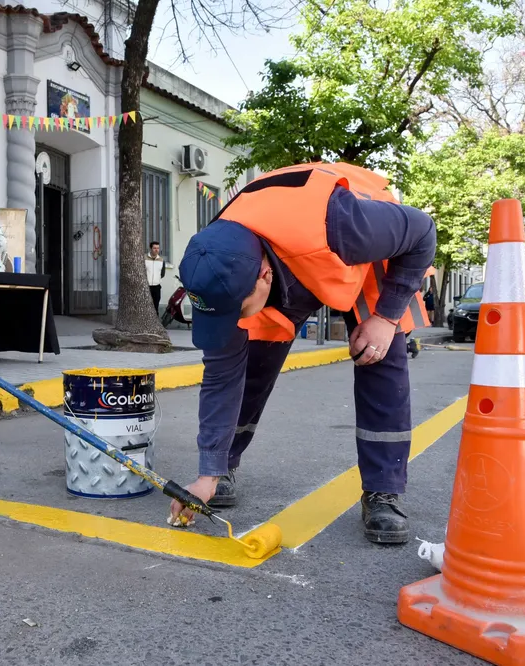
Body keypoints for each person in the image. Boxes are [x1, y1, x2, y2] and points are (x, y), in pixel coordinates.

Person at [168, 162, 435, 545]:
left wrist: (386, 317)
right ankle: (223, 467)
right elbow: (220, 379)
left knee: (379, 354)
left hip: (358, 253)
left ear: (263, 278)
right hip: (284, 258)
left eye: (235, 309)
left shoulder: (345, 224)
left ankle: (383, 491)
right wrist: (206, 474)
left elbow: (423, 230)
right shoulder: (218, 259)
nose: (232, 320)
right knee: (253, 361)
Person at [145, 241, 173, 313]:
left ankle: (155, 319)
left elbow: (162, 274)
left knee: (156, 306)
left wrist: (156, 279)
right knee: (145, 306)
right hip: (146, 286)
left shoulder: (161, 260)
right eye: (154, 248)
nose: (156, 250)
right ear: (150, 248)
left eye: (158, 248)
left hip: (156, 287)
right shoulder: (144, 259)